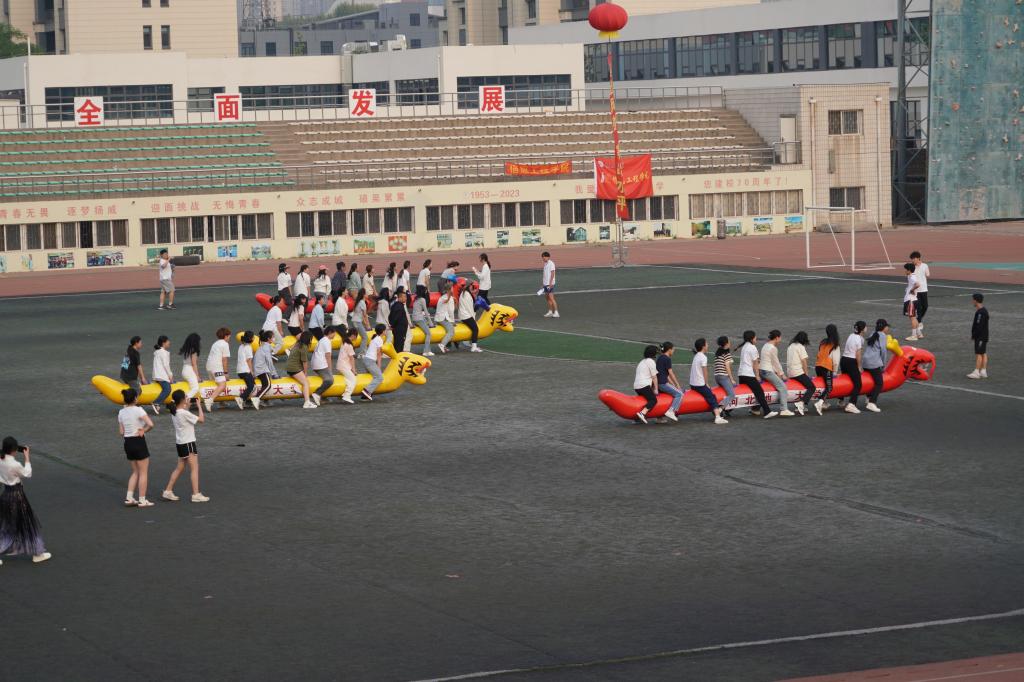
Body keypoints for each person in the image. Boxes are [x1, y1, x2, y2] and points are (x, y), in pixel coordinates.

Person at [0, 437, 51, 564]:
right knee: (27, 524)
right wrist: (27, 457)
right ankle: (38, 553)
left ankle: (34, 551)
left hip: (5, 495)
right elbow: (27, 473)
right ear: (14, 450)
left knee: (5, 525)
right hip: (17, 496)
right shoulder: (14, 464)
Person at [161, 390, 209, 503]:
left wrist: (187, 405)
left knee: (179, 468)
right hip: (188, 443)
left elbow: (185, 414)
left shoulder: (175, 412)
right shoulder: (183, 413)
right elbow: (201, 419)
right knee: (194, 468)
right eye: (186, 397)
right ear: (182, 400)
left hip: (180, 443)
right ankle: (196, 494)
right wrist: (199, 406)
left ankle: (168, 491)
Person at [119, 387, 155, 507]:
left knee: (135, 472)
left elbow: (121, 432)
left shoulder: (121, 412)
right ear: (135, 398)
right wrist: (143, 430)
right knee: (143, 472)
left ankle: (129, 498)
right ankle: (142, 500)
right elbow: (151, 424)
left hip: (128, 443)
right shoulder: (139, 410)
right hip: (138, 442)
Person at [736, 331, 776, 419]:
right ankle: (767, 411)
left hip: (741, 374)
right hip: (748, 374)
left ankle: (727, 410)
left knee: (740, 393)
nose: (756, 338)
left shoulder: (744, 346)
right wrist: (757, 376)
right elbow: (755, 363)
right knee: (760, 392)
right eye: (755, 337)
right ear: (751, 339)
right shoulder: (752, 347)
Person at [690, 338, 729, 425]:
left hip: (692, 384)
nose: (708, 345)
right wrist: (706, 383)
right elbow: (705, 371)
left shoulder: (696, 355)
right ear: (703, 346)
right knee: (712, 397)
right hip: (699, 384)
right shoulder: (703, 357)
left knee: (710, 396)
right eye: (707, 344)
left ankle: (718, 414)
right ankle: (717, 417)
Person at [759, 330, 794, 416]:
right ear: (777, 338)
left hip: (762, 371)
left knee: (764, 388)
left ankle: (754, 408)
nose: (780, 339)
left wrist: (776, 373)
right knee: (783, 387)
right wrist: (782, 374)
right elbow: (776, 362)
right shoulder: (773, 348)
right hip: (767, 371)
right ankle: (784, 409)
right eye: (780, 337)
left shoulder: (765, 345)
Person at [862, 320, 890, 413]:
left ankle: (868, 397)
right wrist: (883, 365)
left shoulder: (873, 333)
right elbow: (883, 351)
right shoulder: (882, 335)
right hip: (873, 363)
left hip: (865, 362)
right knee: (879, 383)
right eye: (887, 326)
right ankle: (872, 403)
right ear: (884, 327)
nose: (888, 328)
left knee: (869, 380)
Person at [839, 321, 867, 414]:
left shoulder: (851, 335)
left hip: (843, 360)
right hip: (851, 362)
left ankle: (841, 400)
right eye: (865, 327)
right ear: (862, 329)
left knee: (844, 381)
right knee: (858, 384)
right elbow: (858, 354)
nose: (866, 328)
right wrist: (859, 366)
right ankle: (851, 404)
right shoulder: (858, 339)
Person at [813, 324, 841, 416]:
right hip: (826, 367)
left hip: (818, 366)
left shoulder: (822, 342)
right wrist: (835, 372)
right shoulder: (835, 344)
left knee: (823, 385)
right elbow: (835, 361)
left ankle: (824, 403)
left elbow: (818, 355)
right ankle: (820, 403)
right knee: (829, 387)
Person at [786, 331, 816, 416]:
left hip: (790, 373)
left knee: (801, 387)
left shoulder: (791, 346)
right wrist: (806, 374)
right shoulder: (800, 347)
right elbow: (804, 362)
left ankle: (800, 406)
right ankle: (801, 403)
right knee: (812, 387)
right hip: (797, 372)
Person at [285, 331, 316, 409]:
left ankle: (307, 401)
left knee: (303, 381)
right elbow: (305, 362)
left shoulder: (298, 343)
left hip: (290, 367)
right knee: (306, 383)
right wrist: (305, 373)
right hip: (294, 368)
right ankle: (307, 402)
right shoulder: (304, 347)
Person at [204, 327, 232, 411]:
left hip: (209, 366)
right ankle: (209, 401)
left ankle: (221, 402)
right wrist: (226, 373)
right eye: (229, 336)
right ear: (226, 336)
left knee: (216, 384)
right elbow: (224, 360)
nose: (229, 338)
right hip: (216, 367)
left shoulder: (215, 343)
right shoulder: (225, 344)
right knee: (222, 384)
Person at [655, 342, 683, 422]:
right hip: (663, 383)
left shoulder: (660, 358)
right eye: (673, 350)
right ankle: (671, 411)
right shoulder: (667, 359)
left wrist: (673, 385)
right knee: (679, 394)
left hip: (658, 383)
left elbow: (665, 374)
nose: (673, 351)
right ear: (669, 350)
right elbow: (671, 373)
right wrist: (677, 385)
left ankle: (659, 418)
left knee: (661, 399)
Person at [632, 345, 659, 424]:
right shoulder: (651, 362)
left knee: (644, 401)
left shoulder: (642, 362)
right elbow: (654, 377)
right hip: (644, 386)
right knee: (653, 400)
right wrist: (656, 389)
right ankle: (642, 413)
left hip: (636, 386)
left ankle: (637, 419)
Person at [309, 325, 335, 407]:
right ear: (330, 333)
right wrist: (330, 369)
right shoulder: (327, 341)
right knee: (330, 380)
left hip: (316, 363)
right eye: (334, 333)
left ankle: (323, 397)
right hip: (320, 365)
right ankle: (317, 393)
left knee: (325, 379)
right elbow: (328, 356)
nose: (335, 335)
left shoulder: (322, 340)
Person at [252, 330, 278, 410]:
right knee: (268, 385)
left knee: (266, 383)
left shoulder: (264, 346)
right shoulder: (266, 347)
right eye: (273, 337)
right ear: (268, 339)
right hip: (261, 370)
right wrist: (274, 374)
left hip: (259, 369)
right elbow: (269, 361)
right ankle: (256, 398)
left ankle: (266, 400)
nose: (274, 338)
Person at [361, 324, 387, 401]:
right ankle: (367, 391)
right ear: (383, 331)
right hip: (370, 361)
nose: (386, 331)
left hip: (367, 360)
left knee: (372, 376)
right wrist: (379, 366)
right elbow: (379, 354)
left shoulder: (375, 338)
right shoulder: (379, 339)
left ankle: (365, 397)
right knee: (379, 377)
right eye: (385, 330)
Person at [713, 336, 737, 418]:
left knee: (724, 393)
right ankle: (719, 409)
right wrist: (732, 379)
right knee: (732, 395)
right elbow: (727, 367)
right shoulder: (726, 353)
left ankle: (726, 409)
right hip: (723, 376)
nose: (730, 342)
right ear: (726, 343)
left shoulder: (718, 353)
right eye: (729, 341)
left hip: (717, 376)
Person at [968, 293, 989, 379]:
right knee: (983, 353)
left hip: (980, 337)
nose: (972, 301)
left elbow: (978, 326)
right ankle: (983, 371)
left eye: (973, 300)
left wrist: (974, 335)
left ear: (976, 301)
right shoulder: (983, 311)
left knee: (979, 353)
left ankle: (977, 372)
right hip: (983, 336)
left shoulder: (981, 313)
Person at [910, 251, 930, 337]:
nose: (912, 260)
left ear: (918, 258)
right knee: (918, 307)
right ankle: (919, 322)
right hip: (916, 291)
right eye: (912, 259)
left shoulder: (925, 265)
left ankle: (919, 320)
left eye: (913, 258)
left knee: (925, 306)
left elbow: (928, 274)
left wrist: (926, 274)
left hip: (924, 289)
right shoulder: (912, 267)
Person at [336, 327, 359, 405]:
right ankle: (347, 395)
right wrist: (354, 370)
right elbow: (352, 359)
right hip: (344, 366)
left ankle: (342, 395)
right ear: (353, 335)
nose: (356, 338)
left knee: (347, 379)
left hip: (341, 365)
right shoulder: (349, 345)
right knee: (353, 380)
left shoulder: (344, 342)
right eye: (356, 336)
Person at [151, 335, 173, 415]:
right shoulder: (163, 353)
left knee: (168, 387)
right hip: (161, 376)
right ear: (164, 343)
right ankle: (156, 403)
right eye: (168, 341)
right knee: (167, 389)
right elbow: (166, 365)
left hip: (157, 376)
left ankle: (169, 404)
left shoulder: (158, 352)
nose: (169, 342)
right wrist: (170, 375)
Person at [458, 284, 482, 352]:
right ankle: (474, 347)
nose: (473, 288)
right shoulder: (467, 295)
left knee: (472, 328)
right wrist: (474, 317)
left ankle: (459, 342)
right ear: (469, 286)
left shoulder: (464, 293)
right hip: (466, 316)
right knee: (475, 329)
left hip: (463, 315)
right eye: (472, 286)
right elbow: (470, 309)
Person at [235, 331, 256, 410]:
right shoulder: (248, 347)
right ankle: (241, 398)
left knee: (250, 385)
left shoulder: (241, 346)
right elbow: (249, 361)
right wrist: (252, 372)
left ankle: (248, 402)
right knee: (251, 386)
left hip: (240, 370)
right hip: (245, 370)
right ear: (251, 338)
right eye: (253, 337)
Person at [180, 333, 201, 408]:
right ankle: (181, 401)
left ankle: (192, 402)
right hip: (189, 370)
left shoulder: (187, 349)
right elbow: (194, 364)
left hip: (184, 370)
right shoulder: (194, 351)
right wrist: (197, 376)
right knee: (195, 388)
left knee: (191, 387)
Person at [412, 285, 435, 356]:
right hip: (419, 319)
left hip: (415, 319)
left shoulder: (416, 299)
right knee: (428, 333)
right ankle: (426, 351)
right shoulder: (422, 299)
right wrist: (431, 323)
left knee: (426, 327)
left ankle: (429, 350)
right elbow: (426, 311)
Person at [435, 282, 456, 353]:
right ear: (449, 289)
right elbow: (451, 311)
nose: (453, 289)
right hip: (442, 318)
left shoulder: (444, 296)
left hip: (439, 318)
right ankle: (442, 344)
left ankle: (445, 345)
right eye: (452, 288)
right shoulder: (447, 298)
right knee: (451, 331)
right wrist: (452, 321)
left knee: (449, 328)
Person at [389, 289, 412, 353]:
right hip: (399, 330)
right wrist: (392, 325)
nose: (406, 298)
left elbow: (391, 316)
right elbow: (395, 318)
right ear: (400, 297)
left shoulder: (397, 305)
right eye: (405, 297)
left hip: (399, 329)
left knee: (398, 344)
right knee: (399, 345)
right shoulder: (399, 306)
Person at [903, 262, 921, 341]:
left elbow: (917, 284)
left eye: (906, 270)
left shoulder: (912, 277)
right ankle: (919, 334)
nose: (905, 271)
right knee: (914, 318)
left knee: (912, 318)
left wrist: (912, 290)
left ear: (909, 270)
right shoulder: (911, 276)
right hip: (914, 300)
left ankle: (914, 336)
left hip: (910, 300)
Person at [352, 289, 371, 354]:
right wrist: (368, 325)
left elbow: (362, 315)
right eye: (366, 293)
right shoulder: (362, 302)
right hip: (357, 322)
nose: (367, 295)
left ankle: (351, 352)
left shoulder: (359, 302)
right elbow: (365, 315)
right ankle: (362, 352)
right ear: (363, 295)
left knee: (354, 337)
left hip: (355, 321)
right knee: (365, 337)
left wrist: (365, 324)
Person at [541, 251, 559, 318]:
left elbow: (552, 273)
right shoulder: (545, 264)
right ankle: (550, 311)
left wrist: (550, 283)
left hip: (550, 284)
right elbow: (545, 274)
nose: (543, 258)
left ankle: (556, 312)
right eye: (542, 257)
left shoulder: (551, 263)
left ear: (548, 257)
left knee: (551, 298)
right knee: (547, 297)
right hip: (546, 284)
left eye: (544, 257)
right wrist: (543, 283)